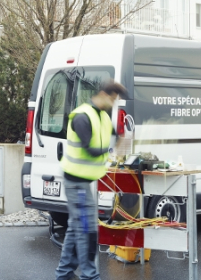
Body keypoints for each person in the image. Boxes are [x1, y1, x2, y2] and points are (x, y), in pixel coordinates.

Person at [55, 81, 128, 280]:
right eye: (113, 99)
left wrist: (123, 141)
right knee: (86, 230)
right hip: (75, 182)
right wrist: (114, 150)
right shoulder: (82, 117)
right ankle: (90, 276)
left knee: (76, 227)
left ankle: (64, 274)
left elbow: (117, 136)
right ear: (104, 95)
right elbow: (90, 150)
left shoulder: (103, 117)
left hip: (84, 183)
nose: (114, 104)